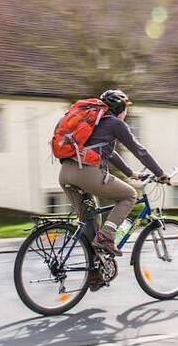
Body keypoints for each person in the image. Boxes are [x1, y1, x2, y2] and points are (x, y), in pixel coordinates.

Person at [58, 89, 170, 260]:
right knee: (129, 195)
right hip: (86, 174)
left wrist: (130, 173)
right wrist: (160, 173)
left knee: (91, 221)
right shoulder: (116, 124)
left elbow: (108, 153)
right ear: (121, 109)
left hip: (65, 173)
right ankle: (107, 235)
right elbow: (139, 150)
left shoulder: (94, 124)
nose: (126, 113)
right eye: (126, 109)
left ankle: (95, 270)